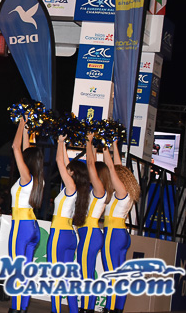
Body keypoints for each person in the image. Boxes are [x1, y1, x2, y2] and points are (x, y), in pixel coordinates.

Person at [48, 135, 89, 313]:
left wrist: (59, 143)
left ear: (72, 173)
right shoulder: (78, 189)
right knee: (68, 279)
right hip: (71, 235)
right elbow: (65, 162)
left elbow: (59, 161)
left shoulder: (70, 187)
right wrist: (63, 142)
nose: (66, 170)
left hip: (59, 234)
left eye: (69, 170)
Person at [8, 117, 44, 313]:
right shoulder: (38, 180)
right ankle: (22, 308)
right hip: (33, 226)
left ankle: (15, 309)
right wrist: (27, 130)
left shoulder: (26, 177)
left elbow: (15, 147)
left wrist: (21, 123)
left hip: (21, 225)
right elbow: (24, 147)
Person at [101, 140, 141, 313]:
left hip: (112, 234)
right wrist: (114, 145)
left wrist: (104, 145)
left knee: (111, 273)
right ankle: (117, 309)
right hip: (122, 234)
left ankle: (109, 309)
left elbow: (112, 168)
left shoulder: (121, 192)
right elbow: (117, 167)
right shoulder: (127, 192)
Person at [78, 132, 111, 313]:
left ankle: (86, 309)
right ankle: (87, 308)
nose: (90, 173)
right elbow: (92, 164)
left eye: (94, 172)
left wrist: (89, 142)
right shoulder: (98, 190)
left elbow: (90, 164)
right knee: (87, 273)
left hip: (90, 233)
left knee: (86, 274)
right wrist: (93, 147)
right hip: (90, 232)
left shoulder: (100, 190)